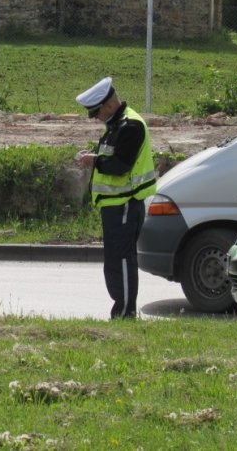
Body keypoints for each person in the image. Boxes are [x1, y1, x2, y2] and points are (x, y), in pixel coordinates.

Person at [75, 77, 156, 319]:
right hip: (115, 206)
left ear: (109, 105)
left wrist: (94, 160)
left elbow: (120, 165)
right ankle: (120, 311)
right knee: (114, 261)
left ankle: (124, 313)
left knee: (122, 261)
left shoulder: (130, 126)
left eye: (96, 112)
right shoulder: (118, 124)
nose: (96, 118)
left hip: (125, 204)